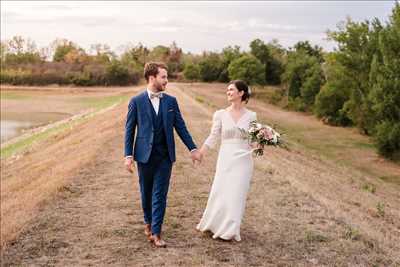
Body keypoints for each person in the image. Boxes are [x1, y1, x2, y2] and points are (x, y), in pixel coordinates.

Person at [124, 62, 202, 248]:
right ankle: (148, 222)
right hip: (144, 155)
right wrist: (128, 155)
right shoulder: (136, 101)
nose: (166, 81)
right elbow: (129, 130)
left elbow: (181, 127)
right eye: (164, 77)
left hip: (165, 156)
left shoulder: (171, 101)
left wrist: (193, 148)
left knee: (160, 194)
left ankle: (156, 232)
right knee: (146, 192)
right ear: (152, 78)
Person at [196, 80, 256, 241]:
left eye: (231, 90)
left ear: (241, 93)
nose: (228, 92)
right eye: (227, 90)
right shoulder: (220, 114)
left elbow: (253, 140)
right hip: (226, 158)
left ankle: (230, 229)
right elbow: (214, 136)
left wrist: (261, 145)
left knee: (237, 193)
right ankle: (214, 224)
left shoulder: (252, 116)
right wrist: (201, 152)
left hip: (244, 159)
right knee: (221, 191)